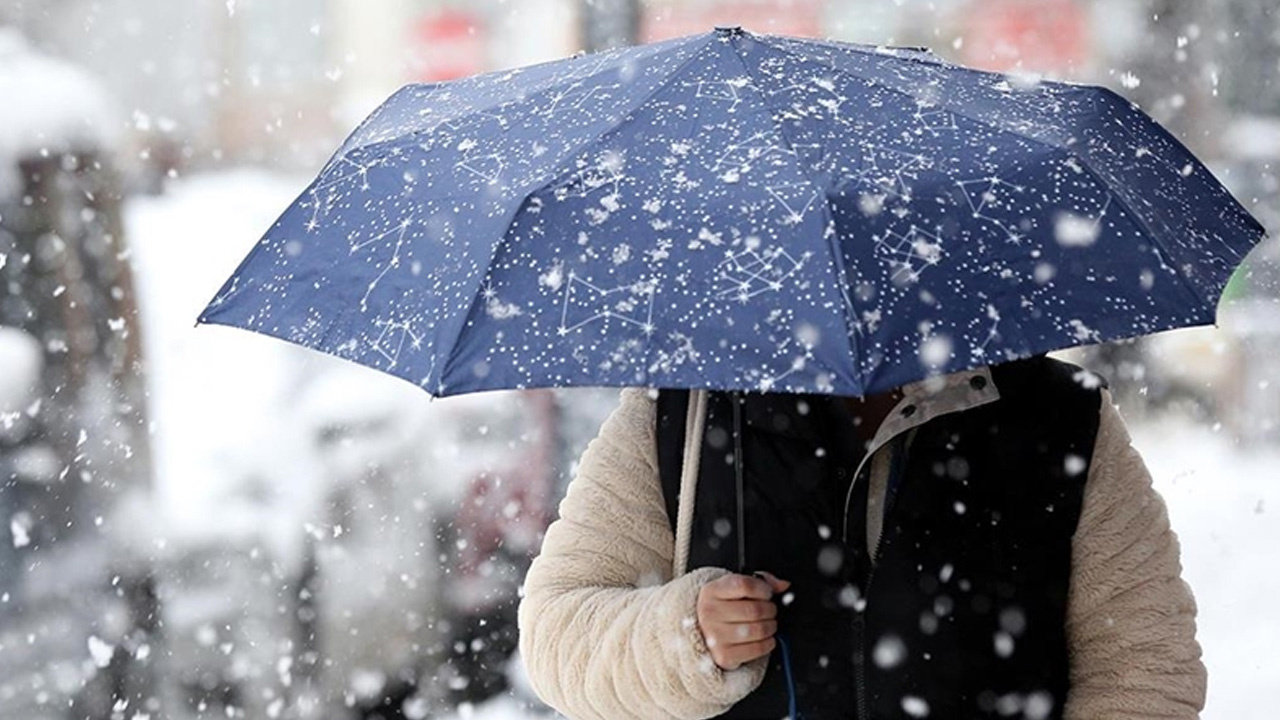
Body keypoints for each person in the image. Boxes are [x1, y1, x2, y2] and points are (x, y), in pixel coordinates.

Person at [516, 355, 1205, 720]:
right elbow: (557, 634)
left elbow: (1145, 670)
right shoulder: (684, 412)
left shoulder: (1057, 417)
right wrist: (685, 635)